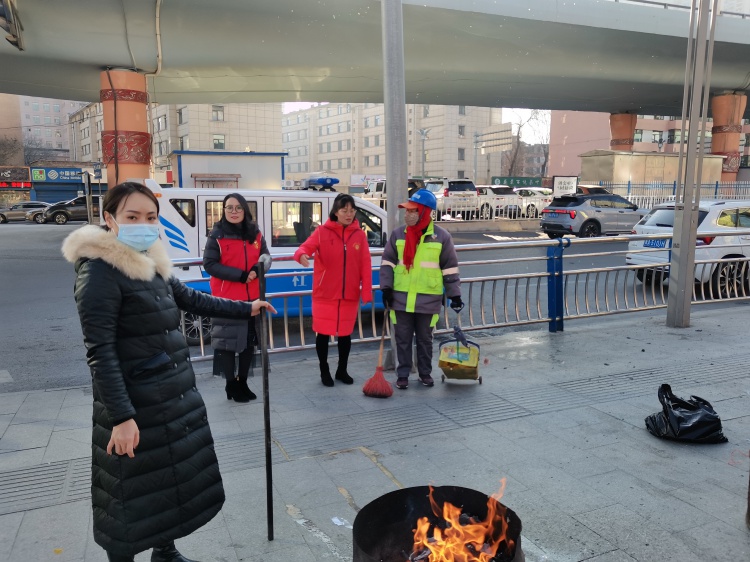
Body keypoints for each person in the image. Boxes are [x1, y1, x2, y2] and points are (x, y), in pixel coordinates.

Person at [62, 182, 276, 562]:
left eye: (151, 217)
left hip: (169, 394)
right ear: (110, 218)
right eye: (132, 216)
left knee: (168, 481)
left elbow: (191, 298)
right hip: (134, 402)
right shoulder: (99, 273)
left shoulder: (150, 260)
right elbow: (100, 353)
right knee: (128, 493)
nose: (143, 225)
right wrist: (121, 418)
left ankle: (165, 552)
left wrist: (246, 308)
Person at [379, 188, 462, 390]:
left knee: (425, 340)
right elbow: (387, 263)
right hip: (401, 298)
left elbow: (449, 268)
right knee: (403, 339)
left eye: (412, 210)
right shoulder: (398, 235)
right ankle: (403, 374)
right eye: (406, 210)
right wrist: (386, 288)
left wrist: (455, 295)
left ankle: (425, 373)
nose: (407, 214)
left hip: (428, 299)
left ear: (425, 212)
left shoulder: (441, 237)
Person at [294, 193, 373, 386]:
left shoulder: (359, 235)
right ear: (335, 212)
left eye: (352, 210)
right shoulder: (322, 232)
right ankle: (324, 371)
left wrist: (366, 290)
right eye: (344, 210)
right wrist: (302, 255)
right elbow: (304, 248)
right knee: (323, 334)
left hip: (349, 294)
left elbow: (365, 264)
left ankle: (341, 370)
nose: (349, 214)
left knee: (345, 335)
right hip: (325, 294)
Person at [203, 193, 271, 402]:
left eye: (238, 207)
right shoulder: (217, 235)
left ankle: (243, 382)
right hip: (226, 300)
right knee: (227, 344)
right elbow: (210, 265)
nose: (234, 211)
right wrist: (241, 276)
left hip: (253, 299)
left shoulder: (255, 233)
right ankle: (230, 384)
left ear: (245, 210)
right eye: (229, 207)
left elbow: (266, 256)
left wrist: (257, 269)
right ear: (223, 210)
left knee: (249, 343)